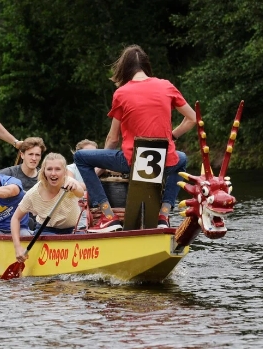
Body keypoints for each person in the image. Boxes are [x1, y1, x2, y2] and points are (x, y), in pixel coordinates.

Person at [74, 44, 197, 233]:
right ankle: (163, 214)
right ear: (146, 66)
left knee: (81, 158)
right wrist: (171, 137)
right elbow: (193, 119)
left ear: (124, 69)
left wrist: (105, 165)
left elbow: (113, 139)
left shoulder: (121, 93)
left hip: (132, 162)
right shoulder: (167, 85)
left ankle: (108, 216)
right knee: (182, 160)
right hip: (164, 161)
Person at [11, 153, 84, 262]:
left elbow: (80, 193)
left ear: (64, 171)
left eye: (57, 169)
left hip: (72, 230)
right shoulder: (33, 193)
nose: (53, 173)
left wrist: (75, 188)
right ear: (44, 171)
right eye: (49, 169)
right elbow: (15, 218)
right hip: (46, 230)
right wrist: (17, 247)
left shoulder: (70, 182)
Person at [0, 136, 47, 230]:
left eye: (37, 155)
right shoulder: (10, 173)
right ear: (22, 155)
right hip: (10, 223)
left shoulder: (45, 177)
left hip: (38, 225)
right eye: (30, 154)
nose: (34, 158)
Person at [66, 139, 98, 230]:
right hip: (77, 211)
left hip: (95, 210)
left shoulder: (99, 168)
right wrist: (95, 175)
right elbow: (72, 185)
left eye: (95, 154)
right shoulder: (71, 168)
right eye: (88, 153)